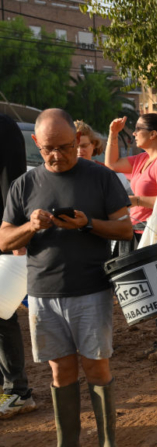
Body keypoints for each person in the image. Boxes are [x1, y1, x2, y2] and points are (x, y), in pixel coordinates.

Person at [0, 109, 132, 444]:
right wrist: (31, 226)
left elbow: (126, 229)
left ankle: (107, 442)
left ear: (76, 141)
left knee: (97, 369)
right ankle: (67, 442)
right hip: (43, 295)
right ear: (36, 144)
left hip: (91, 290)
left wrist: (88, 223)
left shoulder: (100, 177)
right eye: (48, 149)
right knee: (60, 373)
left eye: (64, 147)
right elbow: (3, 239)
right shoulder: (24, 185)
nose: (57, 155)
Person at [105, 114, 157, 362]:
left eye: (138, 129)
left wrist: (136, 201)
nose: (133, 134)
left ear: (153, 134)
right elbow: (112, 164)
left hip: (150, 233)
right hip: (137, 230)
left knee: (154, 288)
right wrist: (112, 133)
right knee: (148, 289)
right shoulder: (143, 159)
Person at [0, 113, 35, 420]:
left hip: (2, 236)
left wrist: (17, 239)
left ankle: (17, 390)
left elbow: (13, 184)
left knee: (2, 313)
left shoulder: (4, 127)